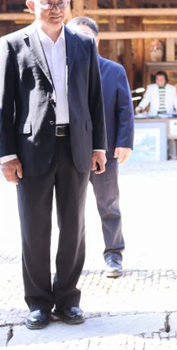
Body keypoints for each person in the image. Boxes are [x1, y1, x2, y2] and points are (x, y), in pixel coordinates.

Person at [0, 0, 107, 330]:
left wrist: (99, 145)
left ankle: (68, 299)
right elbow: (4, 105)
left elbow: (94, 99)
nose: (56, 9)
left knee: (74, 226)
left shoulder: (83, 44)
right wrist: (6, 154)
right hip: (31, 149)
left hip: (76, 145)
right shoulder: (13, 44)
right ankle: (39, 302)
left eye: (61, 2)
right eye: (48, 2)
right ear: (32, 6)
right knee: (35, 228)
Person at [67, 17, 134, 279]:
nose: (81, 42)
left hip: (104, 151)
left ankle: (114, 253)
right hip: (70, 150)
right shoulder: (64, 71)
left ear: (97, 40)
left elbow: (125, 110)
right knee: (70, 207)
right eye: (75, 37)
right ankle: (71, 260)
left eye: (86, 36)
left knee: (108, 204)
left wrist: (125, 142)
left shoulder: (113, 70)